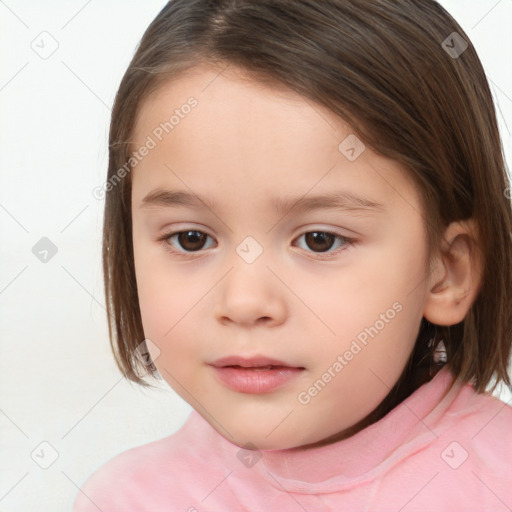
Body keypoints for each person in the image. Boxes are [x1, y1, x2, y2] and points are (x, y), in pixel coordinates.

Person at [73, 1, 512, 510]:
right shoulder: (127, 500)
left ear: (447, 272)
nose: (243, 301)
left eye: (319, 240)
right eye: (191, 238)